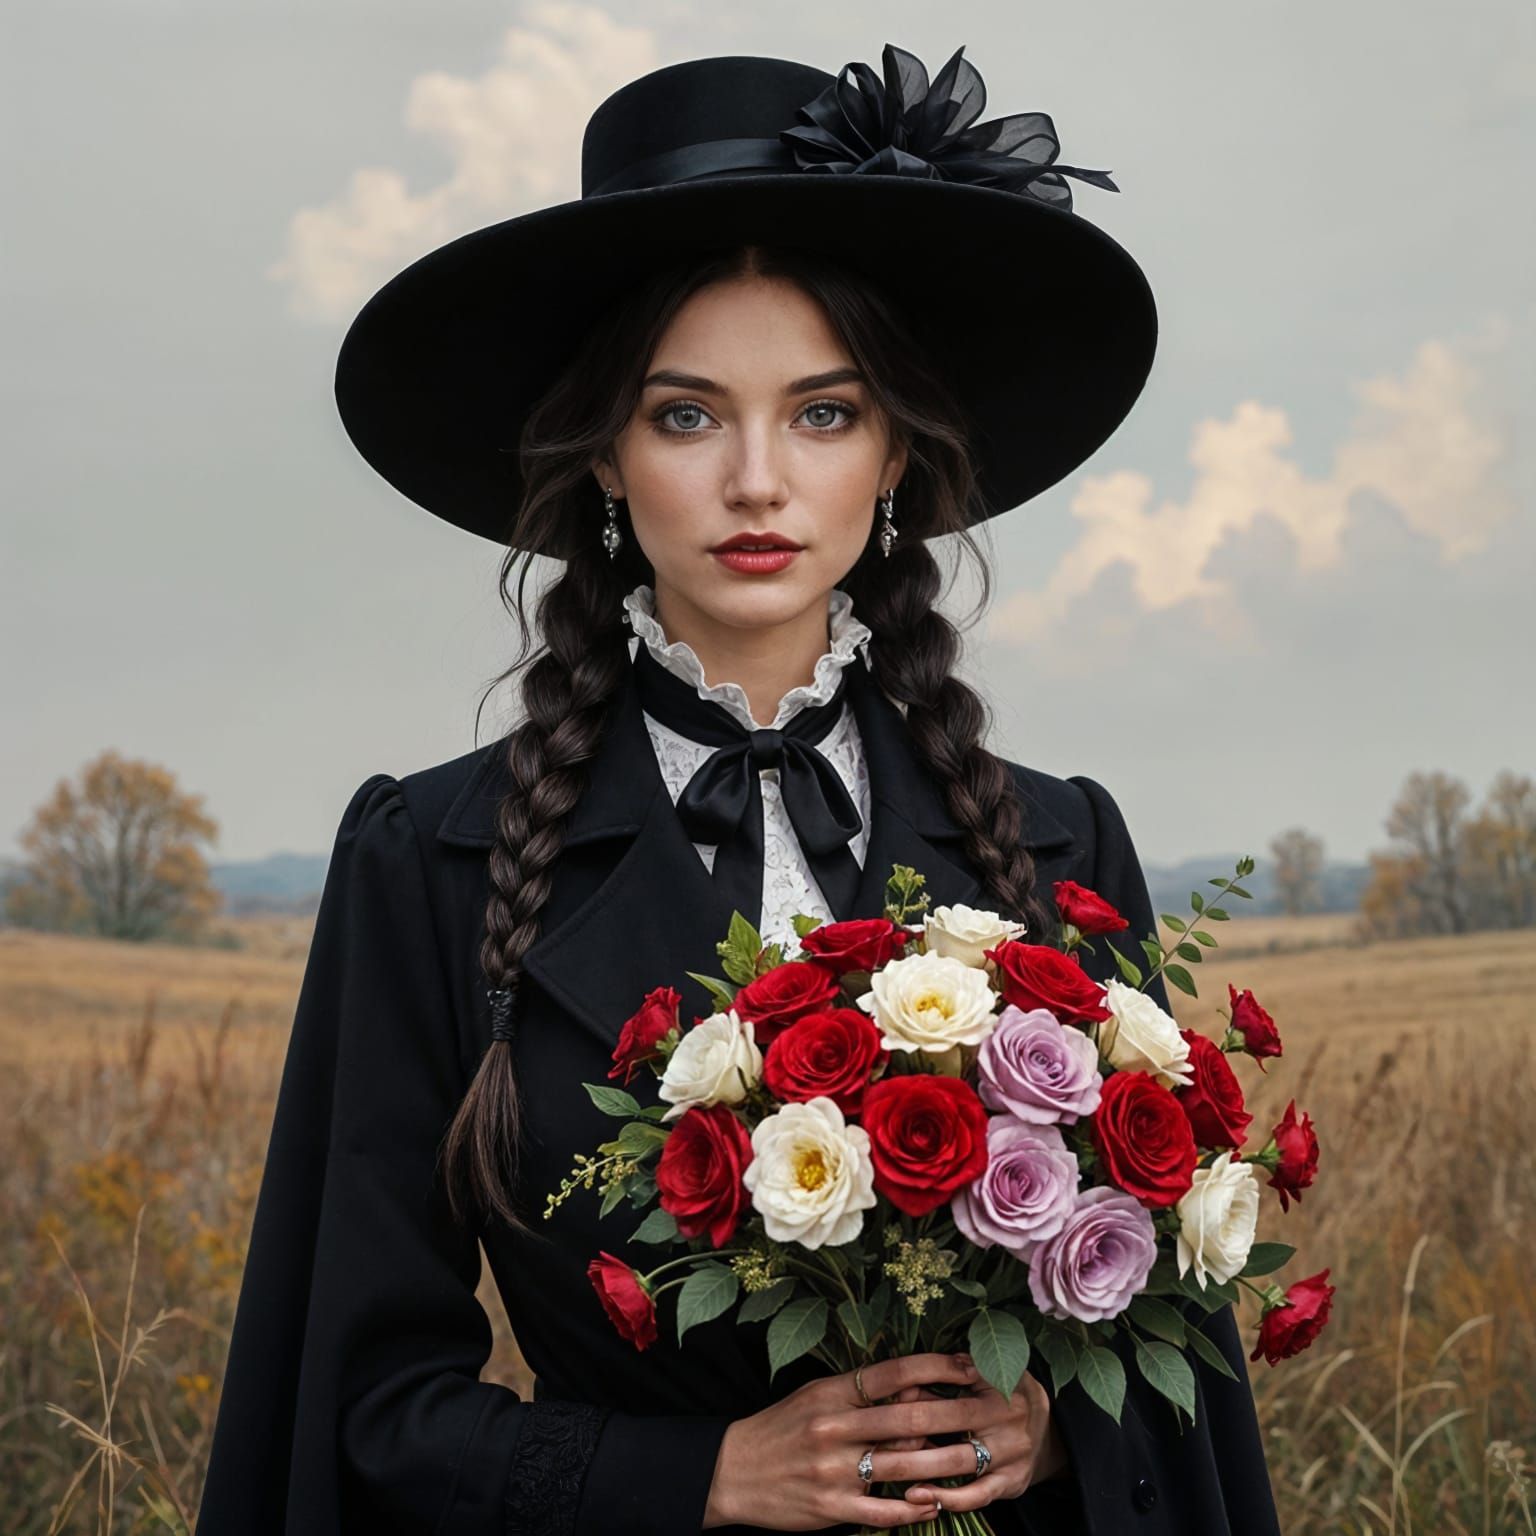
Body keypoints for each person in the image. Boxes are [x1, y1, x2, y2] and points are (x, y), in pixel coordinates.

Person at [196, 41, 1282, 1536]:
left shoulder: (1056, 840)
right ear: (603, 459)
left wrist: (1046, 1434)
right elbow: (362, 1409)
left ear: (897, 451)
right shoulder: (429, 861)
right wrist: (696, 1477)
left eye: (824, 413)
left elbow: (1179, 1394)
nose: (758, 482)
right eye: (688, 414)